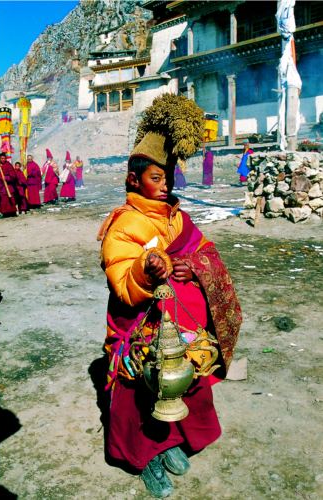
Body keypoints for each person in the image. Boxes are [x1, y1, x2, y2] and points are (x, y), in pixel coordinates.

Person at [97, 94, 242, 498]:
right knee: (142, 389)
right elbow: (123, 279)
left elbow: (205, 253)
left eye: (167, 178)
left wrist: (191, 267)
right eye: (155, 179)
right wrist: (148, 269)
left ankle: (174, 439)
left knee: (187, 380)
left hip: (181, 324)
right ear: (134, 180)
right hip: (140, 325)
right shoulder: (125, 223)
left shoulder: (178, 216)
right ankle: (147, 457)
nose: (164, 187)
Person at [0, 152, 17, 217]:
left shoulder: (9, 165)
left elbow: (13, 175)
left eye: (4, 158)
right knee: (3, 200)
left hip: (8, 186)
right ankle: (5, 213)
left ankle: (12, 212)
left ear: (6, 158)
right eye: (1, 158)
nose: (3, 159)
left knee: (10, 199)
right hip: (1, 187)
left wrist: (6, 178)